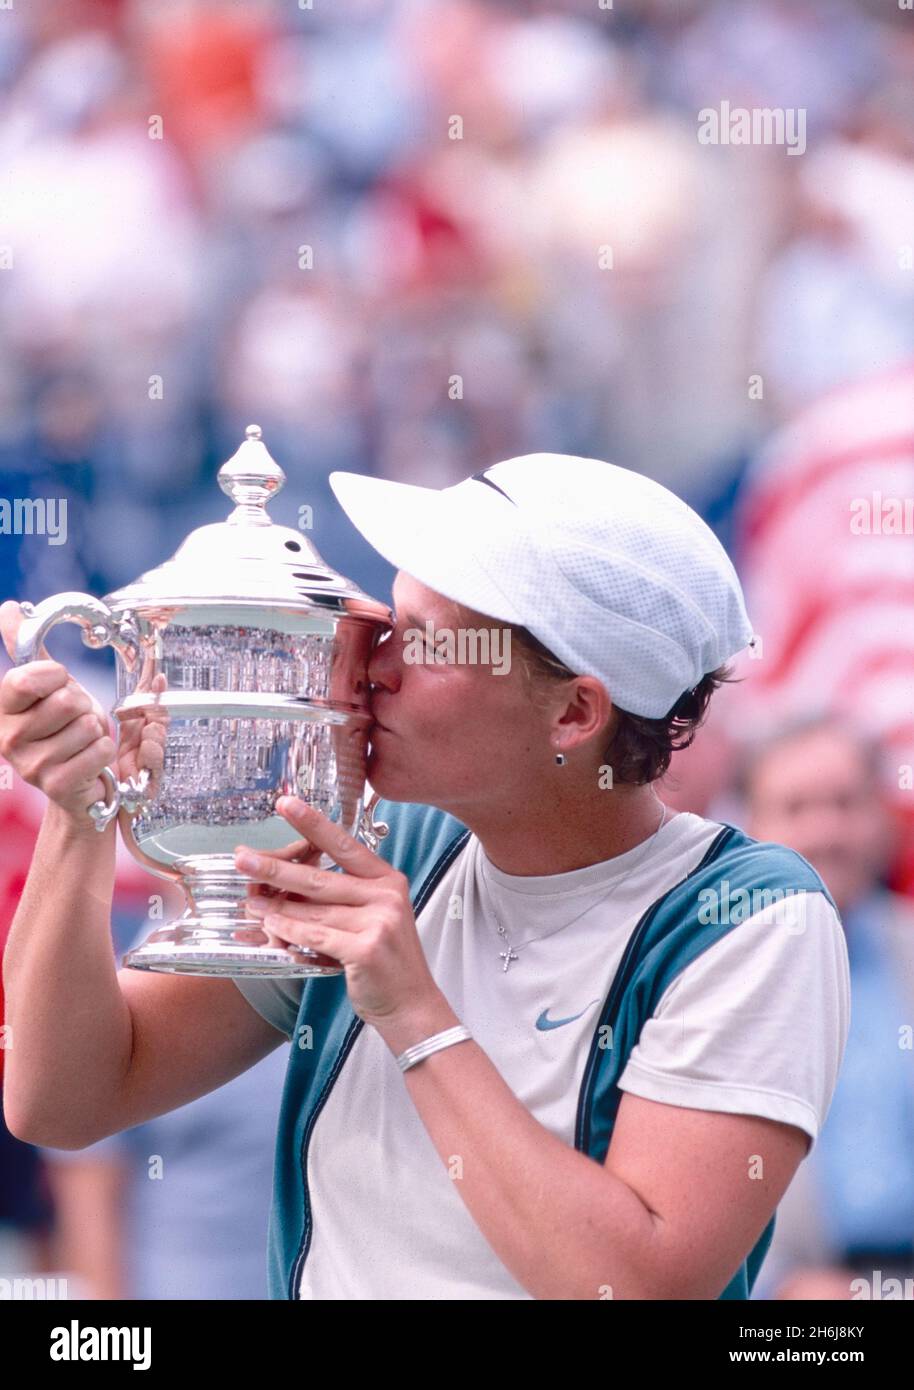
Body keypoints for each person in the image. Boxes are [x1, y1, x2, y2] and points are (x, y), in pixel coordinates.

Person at [0, 452, 849, 1300]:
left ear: (574, 713)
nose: (375, 666)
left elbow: (633, 1290)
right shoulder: (376, 842)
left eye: (428, 643)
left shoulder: (751, 916)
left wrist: (414, 1014)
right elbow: (64, 1100)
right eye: (389, 622)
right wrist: (81, 814)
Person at [736, 714, 914, 1300]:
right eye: (797, 807)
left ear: (882, 820)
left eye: (844, 803)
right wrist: (781, 1286)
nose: (825, 831)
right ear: (749, 827)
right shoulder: (706, 977)